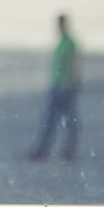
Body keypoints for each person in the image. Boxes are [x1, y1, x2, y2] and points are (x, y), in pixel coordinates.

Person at [28, 13, 82, 162]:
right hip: (56, 85)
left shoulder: (70, 43)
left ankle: (68, 151)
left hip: (65, 87)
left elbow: (75, 65)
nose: (59, 27)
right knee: (51, 120)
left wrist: (72, 86)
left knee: (68, 121)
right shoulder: (61, 42)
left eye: (61, 24)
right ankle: (44, 150)